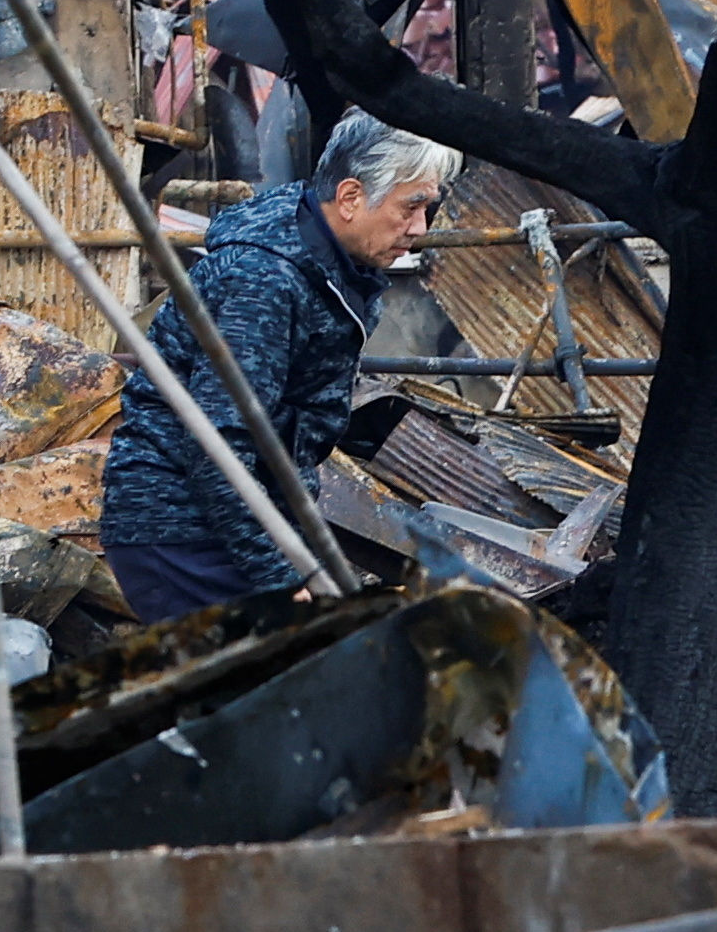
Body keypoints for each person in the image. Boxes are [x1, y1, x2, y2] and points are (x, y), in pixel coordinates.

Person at [101, 109, 460, 623]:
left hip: (230, 522)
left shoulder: (326, 259)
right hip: (183, 527)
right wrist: (278, 573)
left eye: (428, 208)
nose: (419, 228)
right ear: (352, 197)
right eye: (411, 207)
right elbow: (218, 442)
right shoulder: (264, 280)